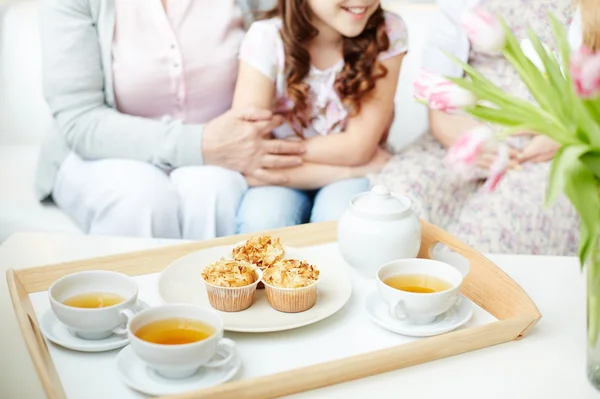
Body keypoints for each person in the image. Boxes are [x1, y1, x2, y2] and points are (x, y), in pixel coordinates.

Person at [35, 0, 305, 240]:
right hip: (103, 151)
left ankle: (214, 294)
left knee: (215, 190)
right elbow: (80, 120)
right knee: (139, 200)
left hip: (226, 152)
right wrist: (200, 143)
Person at [372, 0, 586, 255]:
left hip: (547, 150)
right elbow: (437, 95)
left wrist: (565, 137)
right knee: (395, 204)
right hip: (464, 130)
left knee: (488, 232)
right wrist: (471, 142)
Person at [232, 0, 408, 234]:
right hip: (316, 173)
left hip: (284, 170)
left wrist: (273, 153)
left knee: (339, 222)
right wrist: (350, 169)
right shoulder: (265, 38)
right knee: (263, 220)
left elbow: (358, 147)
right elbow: (249, 153)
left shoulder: (387, 30)